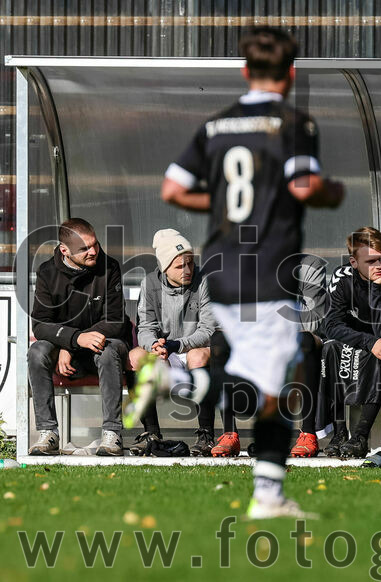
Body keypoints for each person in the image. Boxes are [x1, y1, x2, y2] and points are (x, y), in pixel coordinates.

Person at [158, 27, 343, 517]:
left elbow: (173, 191)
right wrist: (333, 193)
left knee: (265, 383)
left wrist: (219, 202)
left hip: (221, 270)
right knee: (278, 386)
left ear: (245, 71)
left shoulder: (215, 125)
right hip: (268, 271)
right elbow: (305, 187)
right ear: (291, 74)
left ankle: (268, 493)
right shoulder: (293, 123)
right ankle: (177, 387)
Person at [28, 218, 130, 456]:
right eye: (84, 248)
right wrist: (73, 340)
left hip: (101, 345)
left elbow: (115, 320)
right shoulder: (46, 272)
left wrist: (72, 344)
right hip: (68, 347)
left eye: (95, 244)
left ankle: (112, 434)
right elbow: (40, 324)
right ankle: (48, 433)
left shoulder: (110, 267)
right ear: (64, 250)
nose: (93, 251)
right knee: (37, 351)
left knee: (108, 351)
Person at [318, 227, 381, 459]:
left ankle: (360, 436)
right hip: (360, 343)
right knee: (329, 347)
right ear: (353, 261)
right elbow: (331, 325)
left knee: (380, 350)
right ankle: (339, 433)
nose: (379, 265)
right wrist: (367, 341)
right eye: (371, 261)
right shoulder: (341, 279)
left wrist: (377, 289)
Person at [126, 229, 218, 456]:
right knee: (135, 356)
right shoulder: (149, 283)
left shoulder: (204, 281)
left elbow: (208, 330)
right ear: (164, 267)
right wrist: (154, 347)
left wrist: (176, 345)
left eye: (190, 263)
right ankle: (152, 434)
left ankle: (206, 434)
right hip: (167, 353)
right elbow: (146, 327)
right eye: (180, 266)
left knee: (198, 354)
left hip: (194, 349)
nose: (187, 270)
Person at [288, 254, 330, 458]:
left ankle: (308, 432)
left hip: (307, 343)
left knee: (303, 341)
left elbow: (313, 322)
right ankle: (227, 434)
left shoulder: (310, 265)